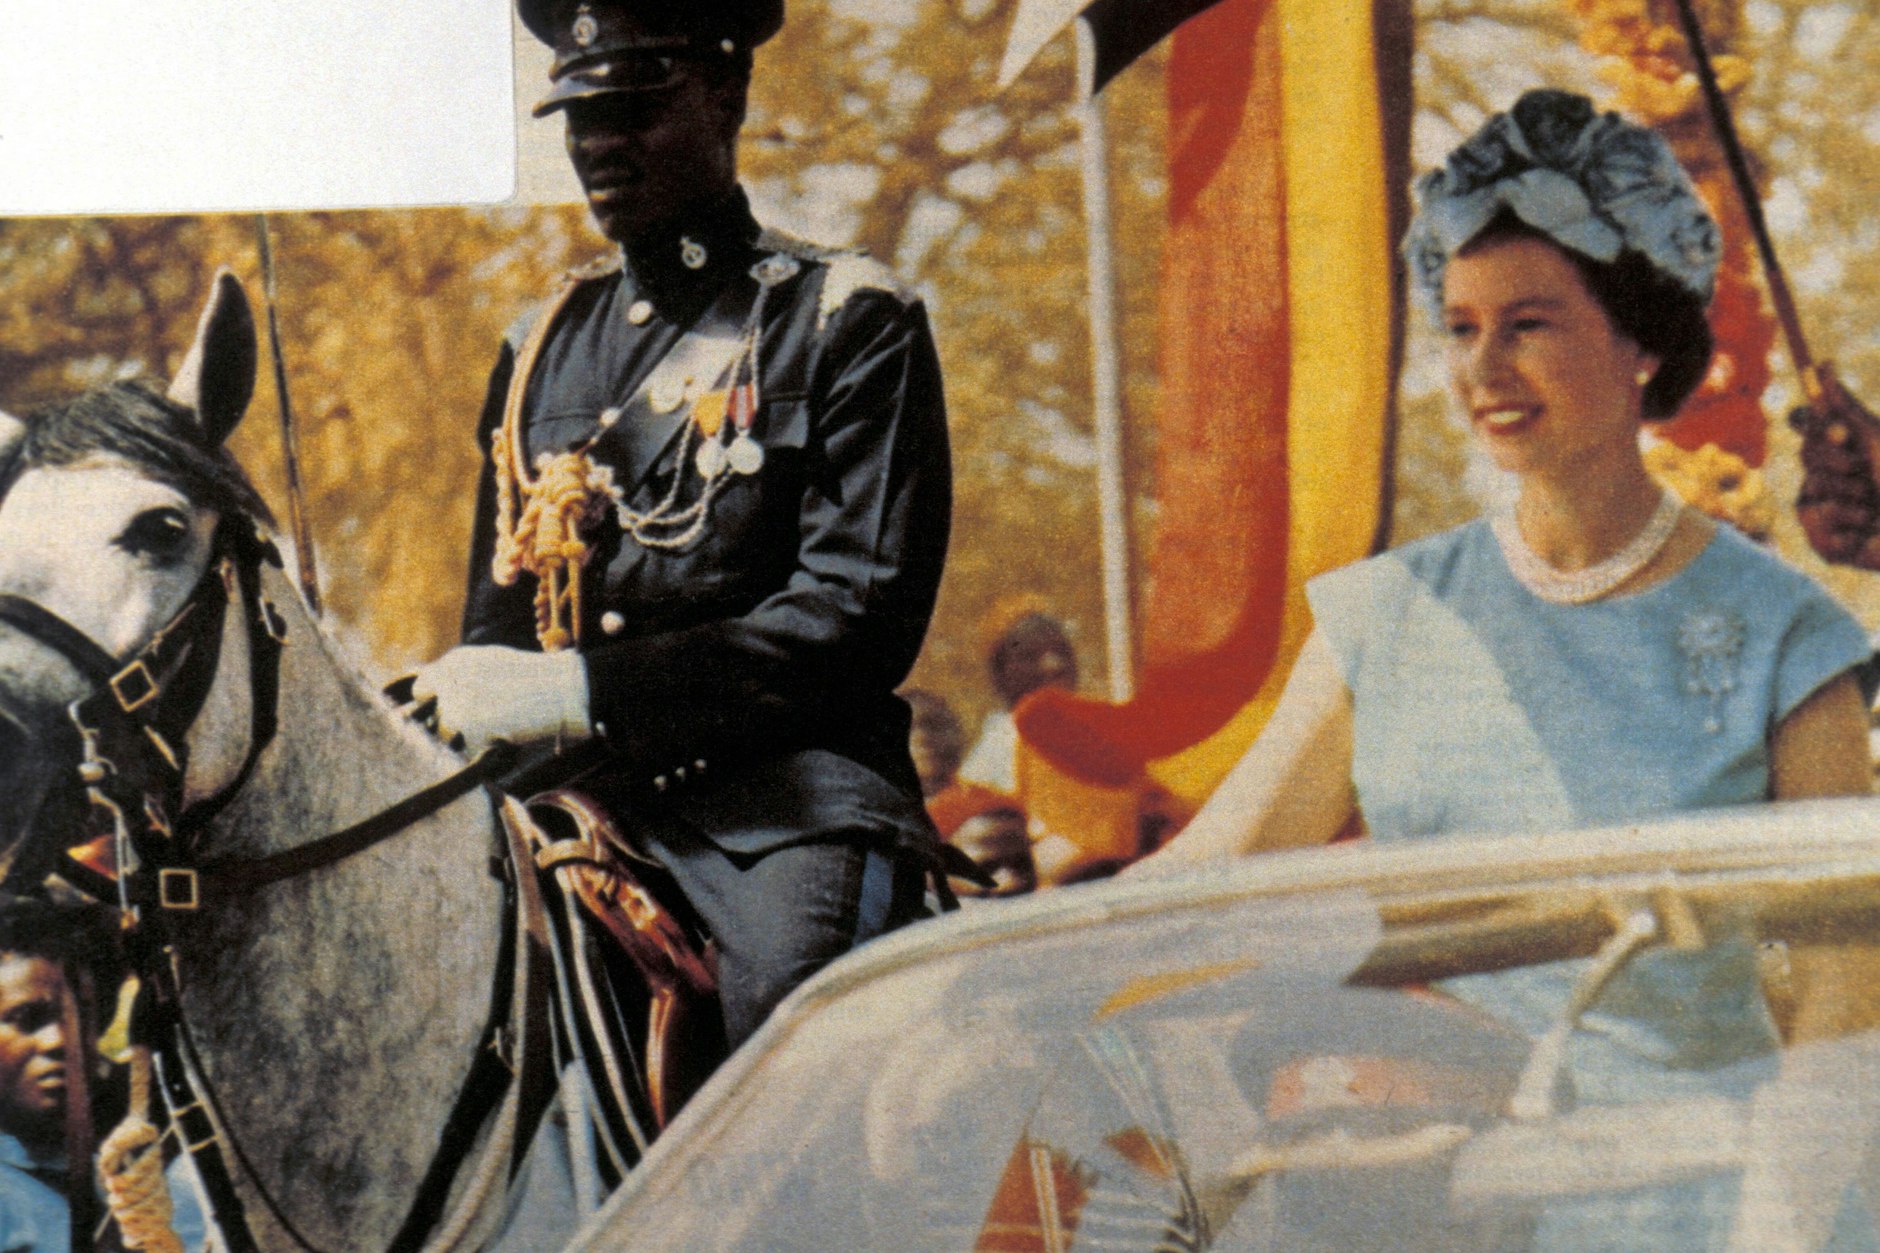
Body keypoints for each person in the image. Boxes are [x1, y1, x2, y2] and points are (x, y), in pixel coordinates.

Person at [1149, 89, 1873, 1245]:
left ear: (1640, 339)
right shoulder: (1382, 617)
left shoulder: (1784, 631)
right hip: (1437, 1195)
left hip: (1716, 1197)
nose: (1484, 367)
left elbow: (1848, 987)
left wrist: (1777, 1219)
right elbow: (1201, 879)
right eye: (1461, 326)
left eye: (1528, 322)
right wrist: (959, 980)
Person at [411, 0, 952, 1051]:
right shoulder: (538, 347)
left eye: (636, 110)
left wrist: (585, 690)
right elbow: (501, 622)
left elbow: (855, 616)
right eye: (579, 120)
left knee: (790, 1037)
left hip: (780, 804)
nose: (600, 146)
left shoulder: (842, 319)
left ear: (726, 97)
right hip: (569, 800)